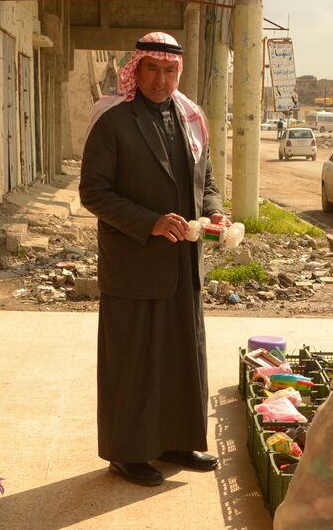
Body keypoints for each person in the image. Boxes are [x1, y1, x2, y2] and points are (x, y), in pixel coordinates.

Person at [78, 32, 226, 486]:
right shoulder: (113, 120)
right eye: (153, 69)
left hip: (183, 263)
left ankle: (177, 442)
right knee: (133, 360)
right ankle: (127, 453)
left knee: (181, 354)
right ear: (136, 70)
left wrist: (213, 211)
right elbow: (93, 192)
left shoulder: (191, 119)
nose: (162, 80)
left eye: (170, 70)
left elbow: (206, 181)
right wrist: (151, 222)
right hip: (134, 260)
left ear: (179, 72)